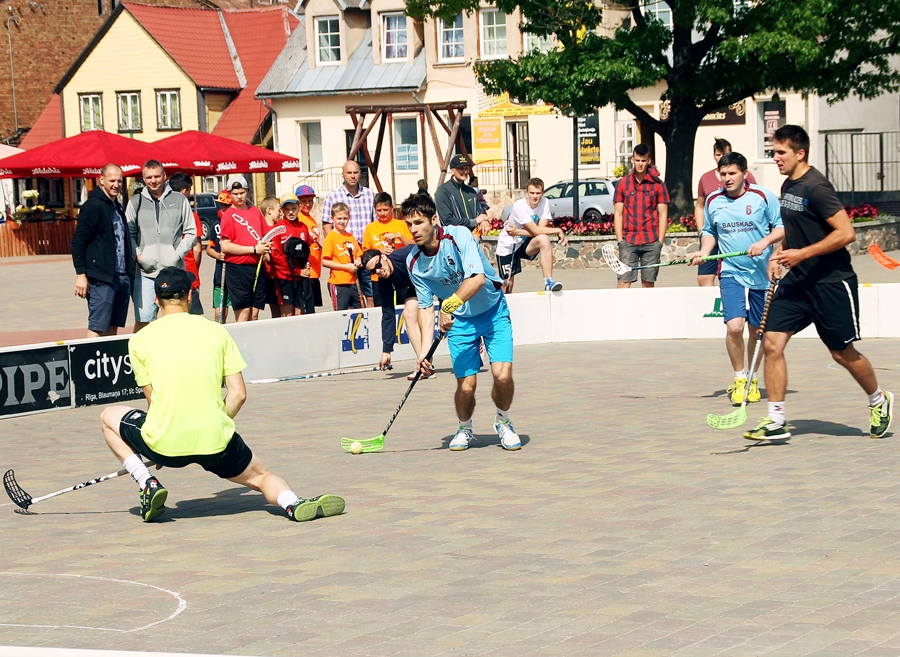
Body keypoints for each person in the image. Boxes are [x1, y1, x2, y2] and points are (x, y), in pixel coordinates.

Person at [98, 267, 345, 523]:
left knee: (108, 416)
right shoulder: (217, 331)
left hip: (163, 441)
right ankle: (292, 502)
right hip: (216, 439)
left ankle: (146, 481)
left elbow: (153, 401)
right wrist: (214, 419)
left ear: (155, 300)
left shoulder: (139, 340)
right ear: (190, 297)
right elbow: (238, 394)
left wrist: (159, 442)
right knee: (262, 476)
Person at [744, 124, 894, 441]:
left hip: (831, 282)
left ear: (800, 153)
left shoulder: (817, 187)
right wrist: (778, 255)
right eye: (773, 152)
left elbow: (846, 233)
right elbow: (793, 229)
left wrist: (803, 254)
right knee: (772, 343)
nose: (775, 158)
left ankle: (878, 399)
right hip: (797, 283)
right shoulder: (788, 187)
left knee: (842, 353)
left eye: (780, 152)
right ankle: (776, 420)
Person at [402, 194, 520, 452]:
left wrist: (449, 305)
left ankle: (503, 421)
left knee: (502, 375)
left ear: (434, 219)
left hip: (492, 311)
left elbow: (477, 279)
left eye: (418, 223)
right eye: (408, 224)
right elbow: (424, 308)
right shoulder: (414, 262)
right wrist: (423, 353)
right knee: (466, 386)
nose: (413, 230)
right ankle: (464, 428)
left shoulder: (458, 236)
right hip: (461, 324)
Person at [687, 152, 784, 404]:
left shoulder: (763, 196)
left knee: (756, 330)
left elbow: (781, 228)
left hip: (761, 273)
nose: (727, 178)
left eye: (732, 173)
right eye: (723, 174)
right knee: (735, 326)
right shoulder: (713, 200)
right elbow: (709, 231)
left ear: (744, 173)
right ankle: (740, 378)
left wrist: (764, 243)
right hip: (730, 269)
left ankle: (753, 379)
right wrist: (704, 252)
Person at [126, 160, 196, 332]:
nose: (153, 180)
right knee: (143, 321)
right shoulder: (136, 202)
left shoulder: (179, 200)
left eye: (157, 176)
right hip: (144, 272)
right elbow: (129, 233)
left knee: (175, 321)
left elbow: (191, 232)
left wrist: (176, 255)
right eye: (149, 177)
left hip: (173, 271)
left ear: (165, 176)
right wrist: (139, 256)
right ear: (143, 178)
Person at [71, 163, 135, 338]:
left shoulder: (117, 206)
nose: (116, 185)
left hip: (121, 275)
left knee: (113, 327)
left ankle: (107, 364)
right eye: (112, 180)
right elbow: (78, 241)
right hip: (102, 277)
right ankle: (90, 359)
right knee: (98, 326)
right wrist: (81, 274)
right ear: (102, 180)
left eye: (120, 181)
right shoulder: (93, 205)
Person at [361, 245, 435, 381]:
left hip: (433, 275)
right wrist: (386, 351)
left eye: (378, 265)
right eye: (373, 271)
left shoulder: (404, 256)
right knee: (409, 313)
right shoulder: (383, 283)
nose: (378, 271)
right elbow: (388, 316)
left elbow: (427, 247)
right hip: (417, 284)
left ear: (384, 256)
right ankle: (425, 366)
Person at [693, 138, 758, 287]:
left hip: (736, 233)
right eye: (718, 154)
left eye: (725, 153)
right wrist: (701, 230)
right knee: (704, 278)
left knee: (736, 276)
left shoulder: (746, 177)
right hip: (713, 234)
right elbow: (700, 206)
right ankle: (717, 307)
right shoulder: (705, 178)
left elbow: (754, 201)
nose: (721, 157)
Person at [495, 177, 568, 293]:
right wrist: (558, 230)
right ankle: (502, 308)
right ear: (527, 193)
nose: (534, 196)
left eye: (538, 193)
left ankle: (548, 281)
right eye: (532, 193)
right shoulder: (519, 206)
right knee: (507, 284)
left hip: (525, 243)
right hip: (508, 245)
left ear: (542, 193)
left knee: (544, 239)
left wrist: (518, 232)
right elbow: (536, 230)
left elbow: (540, 230)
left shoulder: (545, 202)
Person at [613, 144, 670, 288]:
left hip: (651, 240)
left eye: (643, 161)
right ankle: (621, 310)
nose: (640, 164)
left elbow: (663, 215)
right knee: (623, 282)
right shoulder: (623, 184)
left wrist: (659, 242)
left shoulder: (658, 185)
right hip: (629, 240)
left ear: (648, 161)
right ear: (632, 160)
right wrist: (620, 241)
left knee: (648, 283)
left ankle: (647, 311)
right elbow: (618, 214)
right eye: (637, 160)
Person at [321, 161, 376, 306]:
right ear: (343, 174)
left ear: (360, 173)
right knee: (348, 299)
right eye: (349, 173)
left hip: (365, 254)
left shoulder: (370, 195)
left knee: (370, 296)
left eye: (356, 172)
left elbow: (375, 223)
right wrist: (336, 248)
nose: (352, 176)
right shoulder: (332, 197)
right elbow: (327, 226)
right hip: (343, 258)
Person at [219, 176, 272, 322]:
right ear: (230, 194)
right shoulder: (228, 215)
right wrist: (253, 249)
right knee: (243, 312)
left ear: (247, 191)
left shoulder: (254, 211)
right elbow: (225, 245)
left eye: (242, 192)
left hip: (257, 267)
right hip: (238, 268)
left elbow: (265, 235)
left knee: (254, 313)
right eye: (235, 194)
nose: (239, 196)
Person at [362, 191, 414, 305]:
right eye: (378, 210)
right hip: (379, 276)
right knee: (383, 306)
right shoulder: (370, 228)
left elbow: (413, 246)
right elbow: (365, 253)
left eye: (385, 210)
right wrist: (379, 251)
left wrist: (399, 236)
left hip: (401, 274)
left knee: (404, 304)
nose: (382, 213)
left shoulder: (401, 225)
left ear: (392, 207)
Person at [270, 193, 314, 317]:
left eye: (293, 208)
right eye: (287, 209)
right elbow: (276, 257)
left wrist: (307, 264)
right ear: (281, 210)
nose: (290, 212)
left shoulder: (303, 227)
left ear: (299, 208)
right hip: (284, 278)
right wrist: (296, 271)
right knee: (287, 313)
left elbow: (307, 249)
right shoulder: (277, 229)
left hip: (301, 278)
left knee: (300, 312)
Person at [167, 172, 204, 316]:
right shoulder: (192, 215)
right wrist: (196, 267)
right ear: (184, 190)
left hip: (169, 270)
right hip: (188, 269)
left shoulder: (164, 212)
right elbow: (197, 249)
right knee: (193, 315)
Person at [434, 154, 492, 235]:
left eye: (467, 168)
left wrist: (484, 221)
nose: (465, 172)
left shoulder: (471, 192)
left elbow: (480, 214)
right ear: (452, 171)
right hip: (453, 241)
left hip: (475, 239)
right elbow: (448, 221)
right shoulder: (443, 191)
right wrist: (474, 222)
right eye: (461, 168)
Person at [321, 202, 362, 311]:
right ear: (332, 218)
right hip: (338, 283)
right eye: (339, 218)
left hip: (353, 282)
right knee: (341, 313)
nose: (342, 221)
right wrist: (346, 267)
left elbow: (359, 254)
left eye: (345, 218)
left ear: (349, 218)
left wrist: (358, 260)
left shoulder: (350, 236)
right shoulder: (331, 238)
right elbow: (325, 261)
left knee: (358, 312)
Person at [295, 185, 323, 314]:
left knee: (312, 307)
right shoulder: (299, 218)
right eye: (303, 201)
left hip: (315, 270)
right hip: (307, 269)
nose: (307, 204)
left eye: (310, 201)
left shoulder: (311, 218)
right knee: (305, 308)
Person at [206, 190, 232, 323]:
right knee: (220, 310)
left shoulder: (237, 223)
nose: (224, 209)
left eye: (227, 206)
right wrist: (218, 255)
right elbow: (209, 249)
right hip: (220, 272)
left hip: (235, 272)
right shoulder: (216, 225)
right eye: (222, 206)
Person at [259, 196, 283, 319]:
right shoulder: (261, 229)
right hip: (270, 275)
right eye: (279, 210)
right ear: (269, 210)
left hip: (280, 274)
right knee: (276, 310)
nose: (281, 213)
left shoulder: (279, 227)